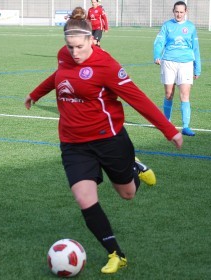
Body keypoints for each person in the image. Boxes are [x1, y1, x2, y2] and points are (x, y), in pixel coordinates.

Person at [24, 7, 183, 274]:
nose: (74, 53)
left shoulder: (106, 65)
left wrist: (169, 130)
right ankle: (116, 254)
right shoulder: (65, 56)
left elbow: (138, 98)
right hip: (73, 143)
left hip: (109, 139)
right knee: (84, 198)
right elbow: (60, 76)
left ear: (92, 39)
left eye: (79, 47)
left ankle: (134, 166)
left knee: (127, 194)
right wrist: (36, 93)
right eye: (69, 47)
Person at [153, 1, 201, 137]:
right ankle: (166, 123)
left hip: (186, 63)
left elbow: (196, 48)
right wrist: (157, 55)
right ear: (173, 11)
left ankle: (186, 126)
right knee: (169, 94)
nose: (179, 14)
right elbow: (159, 42)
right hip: (168, 62)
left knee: (185, 95)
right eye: (176, 11)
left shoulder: (191, 27)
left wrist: (197, 68)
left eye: (181, 12)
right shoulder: (167, 25)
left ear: (186, 12)